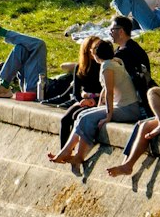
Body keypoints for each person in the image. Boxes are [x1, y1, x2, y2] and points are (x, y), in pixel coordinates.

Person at [46, 24, 153, 163]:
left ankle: (78, 155)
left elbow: (109, 92)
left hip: (128, 109)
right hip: (123, 106)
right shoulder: (114, 62)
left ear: (96, 55)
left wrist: (108, 116)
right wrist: (100, 105)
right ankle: (67, 151)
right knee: (82, 115)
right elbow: (106, 90)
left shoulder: (107, 66)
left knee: (87, 117)